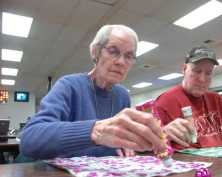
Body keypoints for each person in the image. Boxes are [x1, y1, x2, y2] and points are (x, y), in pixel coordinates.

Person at [20, 25, 166, 160]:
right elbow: (29, 139)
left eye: (128, 56)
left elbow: (118, 142)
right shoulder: (69, 85)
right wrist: (95, 131)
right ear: (95, 51)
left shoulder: (122, 95)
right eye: (113, 51)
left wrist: (149, 137)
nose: (121, 62)